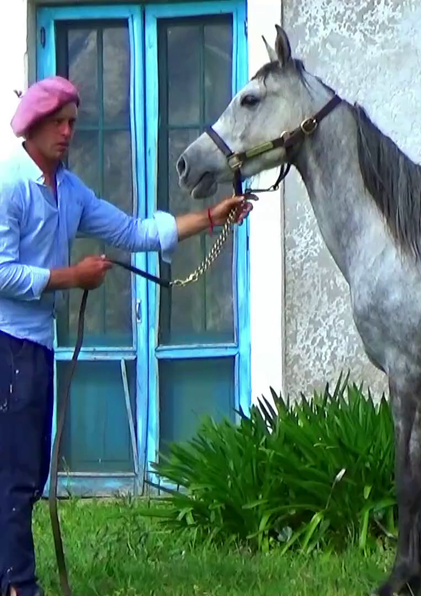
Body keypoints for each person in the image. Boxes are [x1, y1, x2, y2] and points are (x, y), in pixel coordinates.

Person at [0, 76, 252, 596]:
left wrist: (209, 218)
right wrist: (72, 277)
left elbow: (134, 232)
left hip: (36, 345)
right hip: (7, 344)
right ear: (33, 125)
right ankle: (18, 584)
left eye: (72, 122)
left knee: (28, 471)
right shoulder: (9, 185)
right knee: (16, 475)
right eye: (58, 122)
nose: (68, 132)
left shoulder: (70, 191)